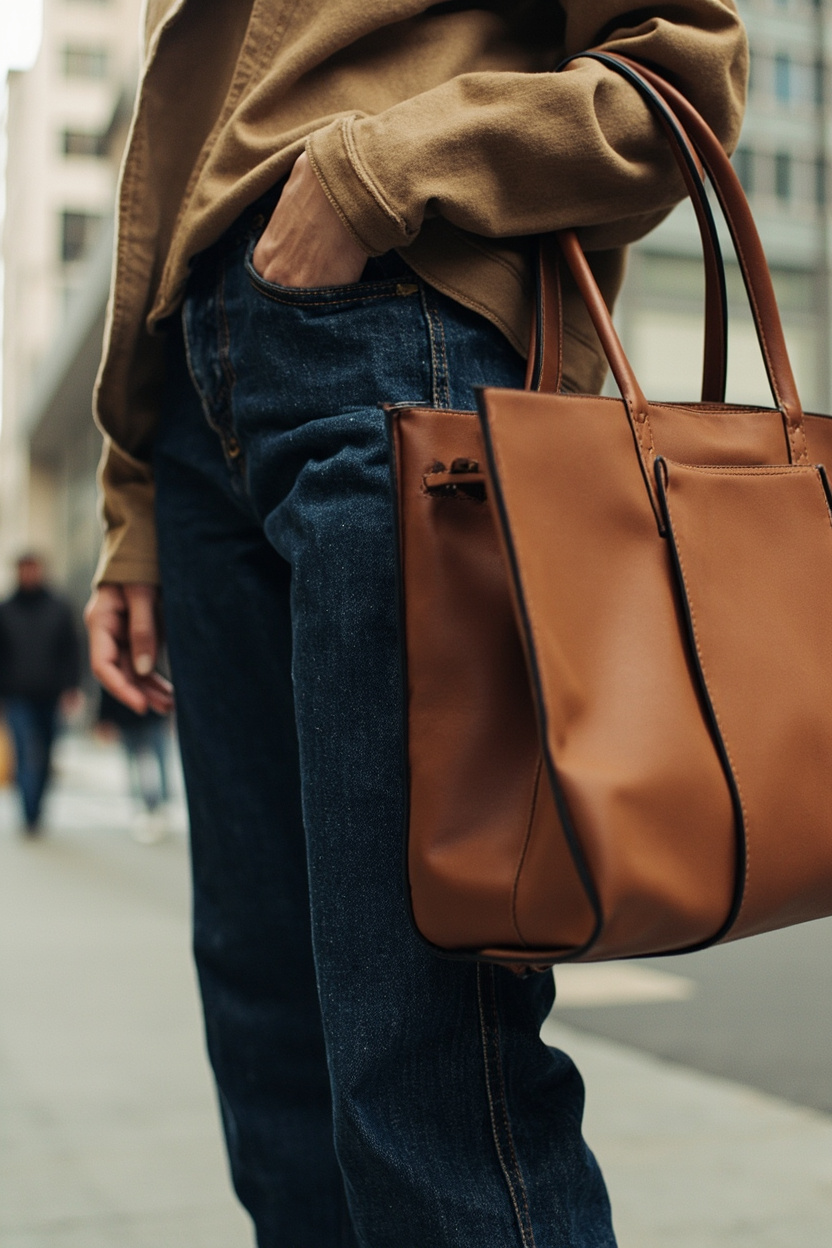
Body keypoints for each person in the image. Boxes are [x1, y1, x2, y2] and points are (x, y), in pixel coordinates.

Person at [83, 4, 748, 1245]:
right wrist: (137, 497)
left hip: (393, 342)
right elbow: (171, 165)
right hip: (200, 413)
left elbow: (681, 77)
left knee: (428, 1062)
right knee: (272, 1049)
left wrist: (374, 176)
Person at [0, 554, 81, 834]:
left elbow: (71, 650)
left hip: (51, 693)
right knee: (23, 751)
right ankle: (29, 812)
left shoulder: (59, 607)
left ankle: (38, 806)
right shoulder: (5, 609)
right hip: (17, 694)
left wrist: (71, 688)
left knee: (46, 752)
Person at [96, 687, 172, 843]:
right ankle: (144, 807)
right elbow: (108, 689)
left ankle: (158, 804)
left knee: (154, 762)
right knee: (140, 764)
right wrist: (104, 718)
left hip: (147, 715)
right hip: (133, 716)